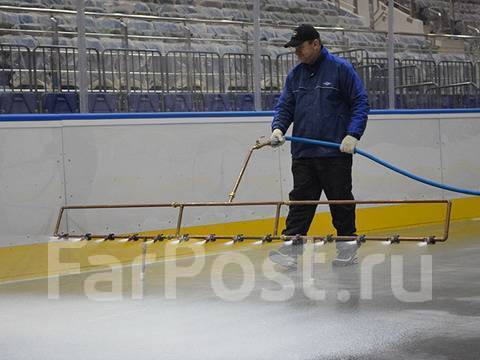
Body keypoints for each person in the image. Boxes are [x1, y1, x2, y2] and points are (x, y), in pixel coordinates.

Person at [269, 24, 369, 268]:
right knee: (300, 203)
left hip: (334, 151)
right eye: (294, 50)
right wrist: (278, 128)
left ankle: (347, 248)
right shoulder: (295, 75)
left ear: (315, 43)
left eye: (300, 48)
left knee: (340, 201)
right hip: (303, 152)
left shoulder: (340, 69)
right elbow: (285, 107)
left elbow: (360, 102)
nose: (297, 54)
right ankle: (291, 251)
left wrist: (353, 135)